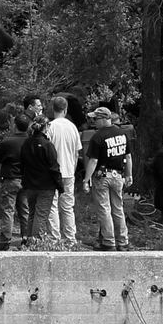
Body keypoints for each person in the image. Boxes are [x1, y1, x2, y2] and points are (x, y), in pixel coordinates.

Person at [83, 106, 133, 251]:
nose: (93, 122)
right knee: (118, 209)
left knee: (104, 210)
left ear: (104, 119)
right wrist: (129, 175)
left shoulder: (97, 137)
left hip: (102, 177)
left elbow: (93, 161)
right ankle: (123, 242)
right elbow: (128, 157)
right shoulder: (122, 134)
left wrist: (86, 180)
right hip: (118, 176)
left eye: (95, 119)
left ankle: (109, 241)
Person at [20, 117, 66, 241]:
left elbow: (22, 164)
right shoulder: (47, 145)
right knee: (41, 214)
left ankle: (28, 239)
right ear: (46, 127)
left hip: (29, 184)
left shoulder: (26, 143)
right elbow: (54, 167)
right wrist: (60, 186)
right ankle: (37, 240)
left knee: (32, 213)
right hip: (46, 186)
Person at [45, 96, 82, 248]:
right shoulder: (73, 127)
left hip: (53, 172)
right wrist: (73, 168)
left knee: (52, 205)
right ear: (66, 110)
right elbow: (76, 152)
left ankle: (54, 238)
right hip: (69, 171)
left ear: (53, 109)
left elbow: (46, 151)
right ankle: (70, 239)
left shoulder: (50, 126)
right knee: (67, 207)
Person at [0, 113, 30, 249]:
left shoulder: (8, 141)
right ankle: (27, 238)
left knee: (8, 210)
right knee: (25, 210)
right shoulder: (31, 141)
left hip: (10, 178)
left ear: (15, 125)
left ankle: (6, 240)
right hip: (26, 180)